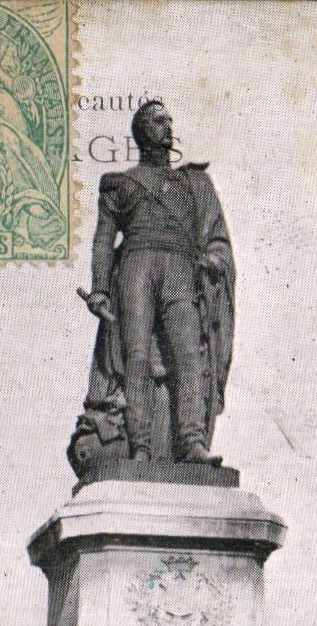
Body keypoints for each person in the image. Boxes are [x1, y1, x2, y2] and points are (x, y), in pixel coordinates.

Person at [80, 100, 235, 467]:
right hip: (137, 265)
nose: (167, 125)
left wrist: (213, 260)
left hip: (181, 267)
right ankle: (141, 446)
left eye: (168, 119)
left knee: (188, 354)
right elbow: (103, 239)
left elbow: (213, 237)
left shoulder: (192, 183)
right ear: (141, 131)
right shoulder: (120, 184)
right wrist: (100, 288)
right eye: (157, 120)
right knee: (136, 357)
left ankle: (191, 442)